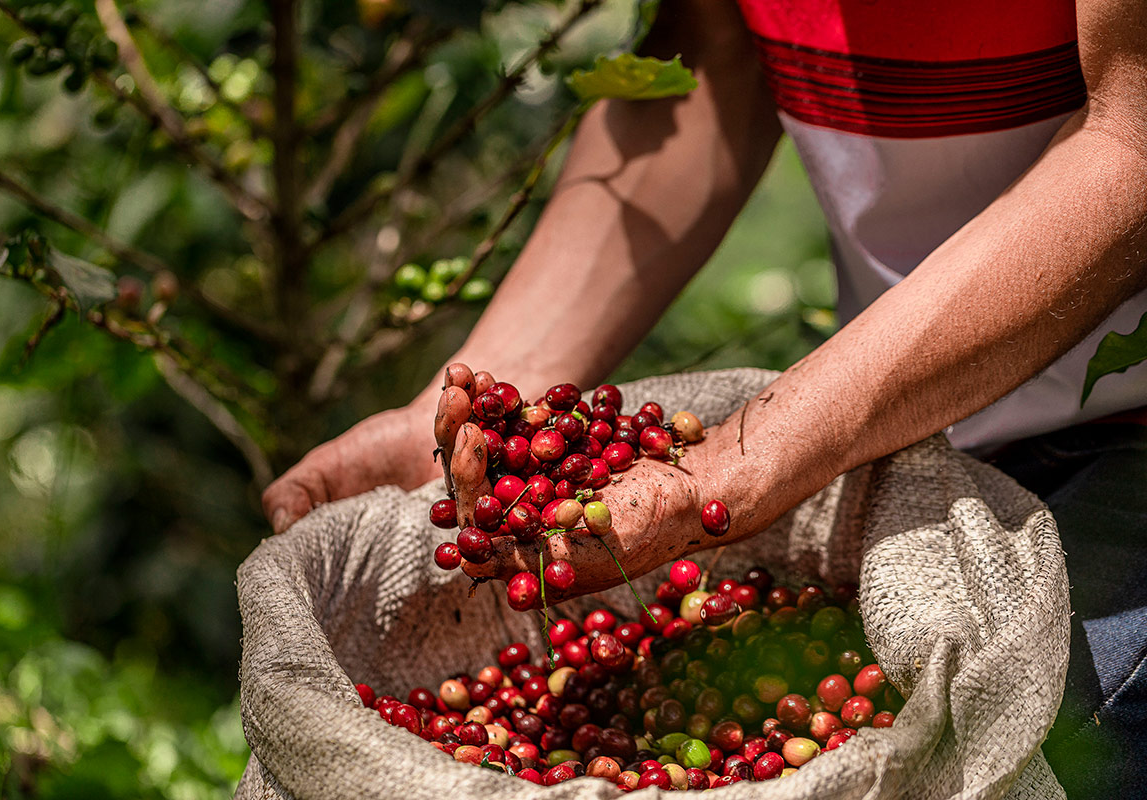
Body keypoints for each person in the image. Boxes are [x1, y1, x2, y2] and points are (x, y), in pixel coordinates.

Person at [263, 0, 1147, 794]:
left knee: (1058, 733)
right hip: (919, 417)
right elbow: (707, 62)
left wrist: (737, 460)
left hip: (1126, 423)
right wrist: (490, 393)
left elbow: (1135, 136)